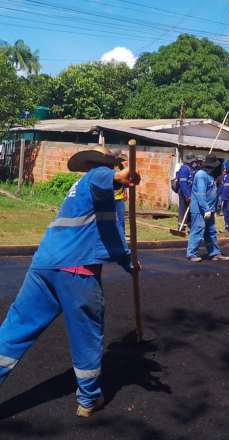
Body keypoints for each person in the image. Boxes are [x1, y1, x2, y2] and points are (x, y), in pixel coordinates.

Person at [0, 146, 139, 417]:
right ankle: (88, 400)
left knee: (16, 328)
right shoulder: (98, 177)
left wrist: (127, 261)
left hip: (43, 266)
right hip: (76, 272)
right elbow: (102, 180)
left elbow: (111, 234)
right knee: (86, 335)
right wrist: (119, 178)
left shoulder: (83, 188)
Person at [187, 155, 229, 262]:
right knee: (197, 230)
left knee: (211, 232)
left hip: (209, 209)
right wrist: (206, 209)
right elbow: (201, 195)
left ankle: (215, 253)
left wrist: (214, 208)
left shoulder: (210, 176)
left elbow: (213, 192)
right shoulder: (201, 175)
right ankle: (191, 254)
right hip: (200, 210)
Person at [175, 153, 202, 230]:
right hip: (184, 192)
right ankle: (181, 226)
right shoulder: (184, 169)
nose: (194, 162)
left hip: (192, 193)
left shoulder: (194, 169)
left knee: (191, 210)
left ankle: (190, 226)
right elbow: (183, 184)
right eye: (193, 161)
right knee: (183, 209)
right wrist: (187, 196)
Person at [113, 152, 128, 239]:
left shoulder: (122, 168)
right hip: (111, 198)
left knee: (121, 219)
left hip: (119, 198)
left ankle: (122, 236)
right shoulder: (110, 169)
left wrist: (125, 192)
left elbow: (124, 181)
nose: (120, 161)